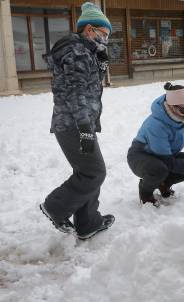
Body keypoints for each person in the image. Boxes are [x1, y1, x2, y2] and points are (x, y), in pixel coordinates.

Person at [39, 2, 114, 240]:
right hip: (73, 123)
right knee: (94, 173)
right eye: (103, 34)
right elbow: (77, 92)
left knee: (88, 170)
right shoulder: (77, 52)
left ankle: (88, 223)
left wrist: (100, 63)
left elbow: (88, 85)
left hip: (78, 121)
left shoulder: (85, 52)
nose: (106, 40)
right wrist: (84, 128)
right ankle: (55, 206)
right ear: (89, 30)